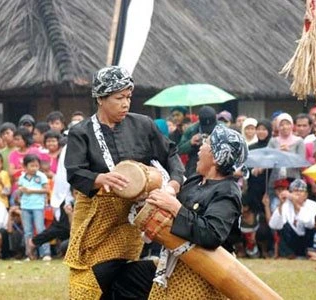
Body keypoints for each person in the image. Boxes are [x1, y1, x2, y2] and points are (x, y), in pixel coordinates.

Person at [64, 66, 185, 299]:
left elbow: (170, 154)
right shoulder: (82, 132)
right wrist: (100, 178)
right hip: (94, 216)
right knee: (88, 274)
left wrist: (173, 185)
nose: (125, 103)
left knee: (108, 270)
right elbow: (74, 172)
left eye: (128, 97)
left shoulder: (143, 125)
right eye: (119, 98)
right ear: (100, 98)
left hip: (130, 216)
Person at [146, 124, 246, 299]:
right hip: (177, 265)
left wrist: (176, 208)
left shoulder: (227, 192)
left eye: (206, 144)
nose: (200, 148)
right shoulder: (196, 180)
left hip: (204, 274)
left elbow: (212, 234)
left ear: (216, 156)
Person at [268, 179, 316, 258]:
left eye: (301, 191)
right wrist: (281, 204)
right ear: (290, 193)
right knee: (283, 228)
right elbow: (273, 225)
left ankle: (310, 253)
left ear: (306, 195)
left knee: (312, 229)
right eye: (295, 191)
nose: (298, 193)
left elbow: (310, 224)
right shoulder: (285, 204)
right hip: (291, 240)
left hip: (308, 239)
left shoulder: (312, 204)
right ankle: (289, 254)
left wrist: (296, 203)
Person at [17, 154, 51, 260]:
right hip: (25, 206)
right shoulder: (22, 177)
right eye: (32, 166)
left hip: (38, 206)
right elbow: (20, 191)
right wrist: (20, 193)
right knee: (28, 231)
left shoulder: (41, 176)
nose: (34, 168)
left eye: (36, 166)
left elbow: (46, 189)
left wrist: (31, 191)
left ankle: (45, 253)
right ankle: (30, 254)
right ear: (25, 166)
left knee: (40, 229)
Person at [178, 105, 221, 177]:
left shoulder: (222, 128)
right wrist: (190, 143)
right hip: (195, 164)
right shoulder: (191, 130)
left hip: (217, 163)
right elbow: (179, 149)